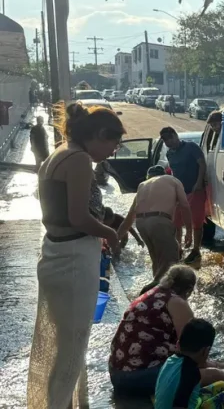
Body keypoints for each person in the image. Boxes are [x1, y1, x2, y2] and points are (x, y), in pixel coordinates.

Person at [28, 102, 126, 409]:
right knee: (71, 348)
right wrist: (110, 233)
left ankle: (71, 404)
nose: (112, 152)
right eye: (113, 144)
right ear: (99, 134)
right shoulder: (80, 159)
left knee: (68, 344)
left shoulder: (60, 153)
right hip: (73, 259)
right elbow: (79, 217)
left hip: (57, 253)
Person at [109, 265, 224, 397]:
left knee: (208, 369)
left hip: (117, 373)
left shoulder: (152, 293)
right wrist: (219, 365)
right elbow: (191, 354)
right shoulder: (177, 303)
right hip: (136, 378)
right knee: (214, 375)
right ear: (189, 289)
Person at [118, 165, 193, 294]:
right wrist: (190, 232)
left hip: (141, 223)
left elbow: (129, 219)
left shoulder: (143, 185)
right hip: (160, 221)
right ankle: (150, 293)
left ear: (148, 177)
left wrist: (114, 238)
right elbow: (185, 206)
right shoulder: (173, 180)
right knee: (171, 266)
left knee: (157, 263)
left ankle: (157, 296)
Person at [159, 127, 207, 264]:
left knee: (197, 221)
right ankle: (178, 248)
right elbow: (173, 172)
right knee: (176, 222)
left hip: (195, 190)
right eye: (165, 140)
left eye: (170, 138)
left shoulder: (191, 147)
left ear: (175, 135)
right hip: (179, 192)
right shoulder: (170, 154)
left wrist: (198, 183)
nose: (169, 142)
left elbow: (202, 164)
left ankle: (196, 250)